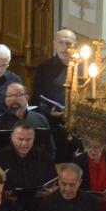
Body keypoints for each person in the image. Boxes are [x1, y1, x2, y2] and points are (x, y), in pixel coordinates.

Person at [0, 125, 57, 211]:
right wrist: (1, 194)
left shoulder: (44, 157)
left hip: (38, 210)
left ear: (34, 139)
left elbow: (54, 183)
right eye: (20, 139)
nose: (24, 143)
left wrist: (51, 192)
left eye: (28, 139)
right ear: (12, 137)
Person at [32, 29, 75, 160]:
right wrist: (49, 112)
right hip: (52, 124)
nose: (64, 47)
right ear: (54, 44)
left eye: (68, 43)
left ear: (75, 45)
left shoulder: (83, 67)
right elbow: (36, 98)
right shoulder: (44, 67)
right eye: (60, 43)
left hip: (78, 124)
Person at [0, 83, 54, 158]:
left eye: (18, 95)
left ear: (27, 98)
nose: (14, 98)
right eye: (10, 96)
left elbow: (50, 149)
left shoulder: (40, 119)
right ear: (6, 100)